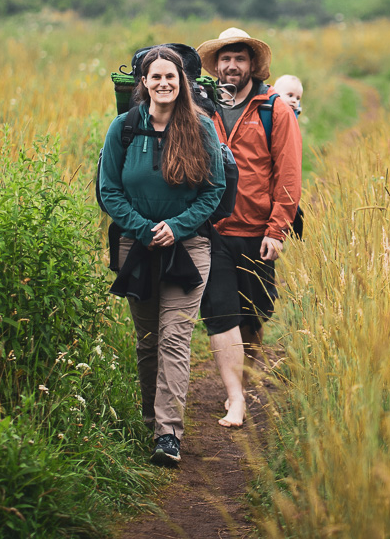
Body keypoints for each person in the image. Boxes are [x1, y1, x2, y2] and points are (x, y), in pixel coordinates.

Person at [99, 46, 226, 466]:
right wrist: (142, 228)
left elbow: (213, 190)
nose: (164, 83)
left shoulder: (201, 129)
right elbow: (109, 190)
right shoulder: (123, 129)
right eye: (155, 77)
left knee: (174, 336)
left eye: (171, 76)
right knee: (149, 339)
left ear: (183, 82)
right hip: (137, 246)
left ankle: (168, 434)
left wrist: (178, 227)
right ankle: (150, 420)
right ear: (144, 83)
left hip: (188, 247)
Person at [196, 27, 302, 428]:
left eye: (239, 58)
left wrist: (277, 229)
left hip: (257, 230)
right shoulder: (202, 107)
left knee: (254, 316)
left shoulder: (273, 108)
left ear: (252, 64)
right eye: (225, 58)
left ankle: (246, 376)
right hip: (212, 227)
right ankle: (235, 396)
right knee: (221, 313)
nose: (231, 65)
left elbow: (288, 173)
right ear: (216, 64)